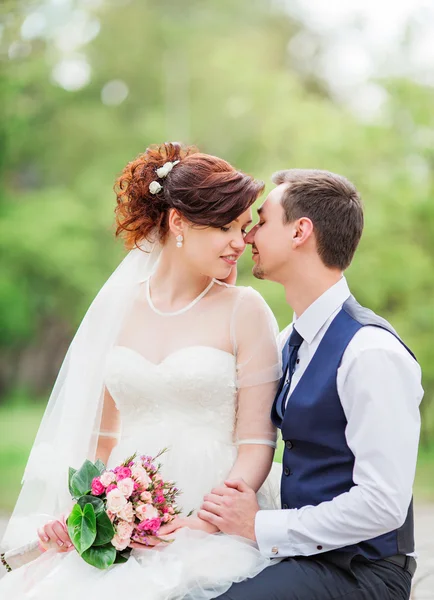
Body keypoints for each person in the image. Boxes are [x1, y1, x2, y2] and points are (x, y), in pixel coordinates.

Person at [0, 143, 282, 599]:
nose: (240, 242)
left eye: (243, 227)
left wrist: (201, 523)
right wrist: (89, 513)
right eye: (225, 227)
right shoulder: (118, 307)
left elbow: (256, 445)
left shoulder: (243, 310)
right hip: (123, 512)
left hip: (210, 508)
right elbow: (103, 439)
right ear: (178, 224)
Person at [200, 169, 423, 600]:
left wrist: (260, 526)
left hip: (363, 572)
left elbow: (383, 503)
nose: (248, 238)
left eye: (262, 222)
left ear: (301, 231)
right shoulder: (289, 340)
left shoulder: (369, 352)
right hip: (303, 558)